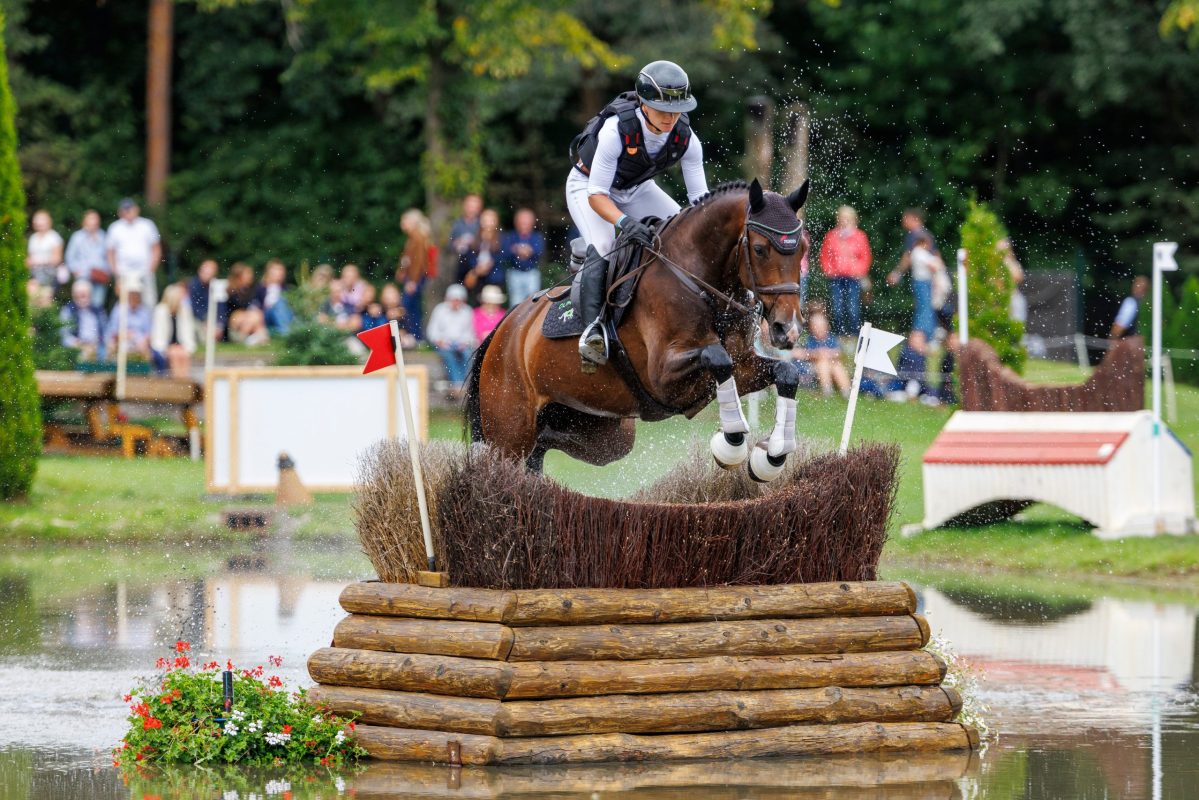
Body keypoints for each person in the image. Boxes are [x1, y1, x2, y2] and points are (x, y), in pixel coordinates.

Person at [566, 60, 709, 366]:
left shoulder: (687, 138)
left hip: (637, 189)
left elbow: (700, 204)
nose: (671, 116)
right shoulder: (616, 131)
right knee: (605, 245)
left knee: (683, 235)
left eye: (678, 109)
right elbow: (597, 195)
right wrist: (624, 222)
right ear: (644, 104)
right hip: (588, 188)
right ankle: (593, 333)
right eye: (662, 109)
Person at [818, 205, 872, 337]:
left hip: (853, 277)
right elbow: (825, 255)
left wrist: (858, 270)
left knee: (853, 307)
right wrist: (829, 270)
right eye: (841, 218)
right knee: (837, 307)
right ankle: (839, 335)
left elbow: (865, 257)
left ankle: (854, 335)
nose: (843, 221)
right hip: (836, 277)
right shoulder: (832, 235)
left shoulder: (859, 236)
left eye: (846, 218)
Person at [886, 208, 937, 339]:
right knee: (927, 307)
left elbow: (907, 257)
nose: (903, 222)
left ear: (914, 218)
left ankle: (921, 337)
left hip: (922, 278)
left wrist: (897, 273)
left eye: (905, 218)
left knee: (923, 307)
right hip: (929, 278)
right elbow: (936, 255)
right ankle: (927, 336)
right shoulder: (927, 234)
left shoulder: (915, 235)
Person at [107, 198, 162, 307]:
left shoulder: (147, 225)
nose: (128, 212)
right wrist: (115, 272)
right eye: (125, 210)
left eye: (130, 209)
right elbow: (110, 252)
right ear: (120, 212)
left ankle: (148, 324)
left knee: (149, 302)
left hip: (144, 270)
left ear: (136, 209)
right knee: (124, 303)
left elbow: (156, 248)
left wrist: (151, 269)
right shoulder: (115, 228)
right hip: (124, 272)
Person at [426, 284, 477, 397]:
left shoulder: (467, 311)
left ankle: (463, 384)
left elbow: (470, 333)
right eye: (454, 300)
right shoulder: (440, 310)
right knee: (449, 355)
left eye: (458, 300)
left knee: (467, 354)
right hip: (444, 343)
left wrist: (465, 342)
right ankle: (459, 384)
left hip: (461, 344)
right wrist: (440, 341)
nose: (456, 303)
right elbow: (432, 331)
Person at [795, 308, 850, 397]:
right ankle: (827, 389)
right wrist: (818, 354)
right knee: (823, 363)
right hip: (816, 367)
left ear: (827, 326)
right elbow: (807, 354)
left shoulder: (831, 339)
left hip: (832, 365)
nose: (819, 329)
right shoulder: (811, 340)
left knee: (837, 366)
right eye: (816, 327)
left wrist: (828, 353)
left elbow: (839, 352)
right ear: (811, 328)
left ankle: (846, 390)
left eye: (821, 326)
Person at [397, 208, 432, 341]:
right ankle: (416, 335)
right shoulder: (415, 237)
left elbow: (418, 262)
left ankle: (415, 335)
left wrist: (412, 280)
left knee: (409, 307)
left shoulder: (417, 237)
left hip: (414, 279)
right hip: (413, 278)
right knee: (413, 306)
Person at [151, 283, 197, 377]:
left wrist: (187, 347)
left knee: (183, 354)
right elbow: (159, 335)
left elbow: (188, 332)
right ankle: (178, 382)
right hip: (166, 345)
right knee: (175, 354)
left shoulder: (184, 310)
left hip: (180, 346)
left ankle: (183, 381)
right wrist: (166, 348)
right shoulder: (160, 311)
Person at [501, 208, 544, 307]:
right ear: (516, 222)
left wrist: (524, 251)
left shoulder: (536, 237)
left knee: (533, 303)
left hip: (531, 273)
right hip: (515, 273)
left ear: (532, 223)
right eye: (522, 222)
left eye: (526, 222)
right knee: (515, 304)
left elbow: (538, 252)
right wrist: (519, 250)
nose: (524, 224)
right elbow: (505, 253)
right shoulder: (511, 236)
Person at [65, 210, 110, 305]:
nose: (93, 222)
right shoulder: (77, 237)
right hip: (83, 277)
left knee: (97, 305)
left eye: (95, 219)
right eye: (90, 219)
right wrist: (75, 270)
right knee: (82, 305)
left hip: (99, 278)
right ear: (84, 221)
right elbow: (69, 256)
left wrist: (106, 272)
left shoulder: (103, 236)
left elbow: (109, 257)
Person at [105, 276, 153, 359]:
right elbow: (112, 332)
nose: (135, 296)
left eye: (137, 294)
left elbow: (149, 333)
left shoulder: (144, 311)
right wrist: (126, 335)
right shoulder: (119, 309)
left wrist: (142, 341)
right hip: (122, 342)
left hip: (140, 345)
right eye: (132, 294)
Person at [60, 279, 107, 361]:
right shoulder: (68, 310)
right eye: (79, 294)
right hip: (77, 348)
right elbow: (64, 335)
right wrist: (76, 343)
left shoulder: (98, 310)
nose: (82, 297)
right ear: (73, 295)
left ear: (90, 294)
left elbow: (106, 331)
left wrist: (99, 343)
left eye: (84, 294)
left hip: (97, 348)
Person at [27, 209, 64, 305]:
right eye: (37, 220)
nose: (39, 222)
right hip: (35, 275)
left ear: (48, 221)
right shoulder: (33, 238)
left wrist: (38, 261)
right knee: (31, 299)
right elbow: (29, 259)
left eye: (41, 220)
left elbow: (57, 259)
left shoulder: (54, 237)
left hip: (49, 276)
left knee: (44, 301)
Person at [225, 262, 268, 344]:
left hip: (247, 320)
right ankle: (245, 338)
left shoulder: (251, 289)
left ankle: (248, 339)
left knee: (256, 316)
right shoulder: (232, 290)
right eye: (247, 273)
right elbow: (239, 306)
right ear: (239, 276)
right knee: (256, 316)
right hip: (234, 322)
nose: (251, 276)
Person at [449, 193, 483, 286]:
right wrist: (456, 243)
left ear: (479, 208)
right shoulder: (457, 224)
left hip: (477, 266)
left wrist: (475, 243)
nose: (471, 209)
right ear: (464, 206)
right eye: (469, 206)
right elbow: (449, 245)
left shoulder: (483, 224)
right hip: (460, 265)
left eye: (474, 206)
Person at [188, 258, 226, 341]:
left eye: (209, 273)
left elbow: (221, 308)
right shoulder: (193, 285)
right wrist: (205, 321)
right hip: (198, 320)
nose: (206, 275)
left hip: (212, 321)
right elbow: (194, 308)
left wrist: (219, 324)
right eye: (204, 272)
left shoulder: (217, 286)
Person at [255, 258, 294, 335]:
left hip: (285, 315)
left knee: (282, 303)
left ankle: (284, 331)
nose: (279, 273)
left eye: (281, 270)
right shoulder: (260, 288)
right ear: (269, 272)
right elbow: (255, 305)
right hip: (266, 316)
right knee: (279, 302)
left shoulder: (288, 289)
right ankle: (286, 333)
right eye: (276, 270)